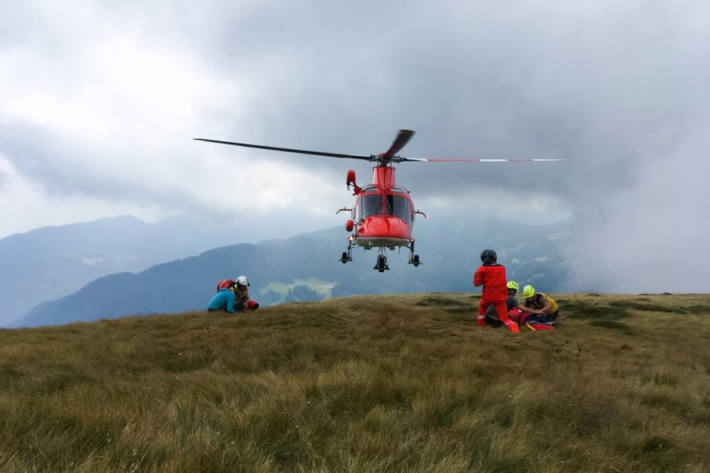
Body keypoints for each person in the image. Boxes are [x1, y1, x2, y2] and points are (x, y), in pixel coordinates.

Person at [474, 249, 519, 333]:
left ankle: (480, 326)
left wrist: (479, 274)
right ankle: (516, 331)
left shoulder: (482, 269)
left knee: (482, 307)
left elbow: (477, 283)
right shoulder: (502, 268)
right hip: (501, 298)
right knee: (505, 318)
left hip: (488, 297)